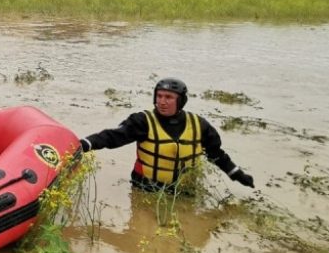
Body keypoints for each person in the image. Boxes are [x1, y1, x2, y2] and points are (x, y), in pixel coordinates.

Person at [75, 77, 255, 191]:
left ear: (181, 101)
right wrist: (85, 144)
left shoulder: (199, 125)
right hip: (146, 188)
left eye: (168, 97)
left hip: (183, 192)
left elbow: (217, 155)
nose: (162, 102)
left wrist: (237, 174)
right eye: (159, 96)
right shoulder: (142, 121)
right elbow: (111, 136)